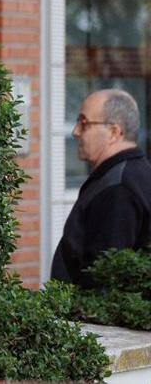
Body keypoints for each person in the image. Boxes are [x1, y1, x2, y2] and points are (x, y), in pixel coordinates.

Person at [51, 89, 151, 288]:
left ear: (114, 132)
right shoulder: (130, 173)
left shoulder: (119, 188)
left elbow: (105, 281)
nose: (75, 131)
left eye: (84, 123)